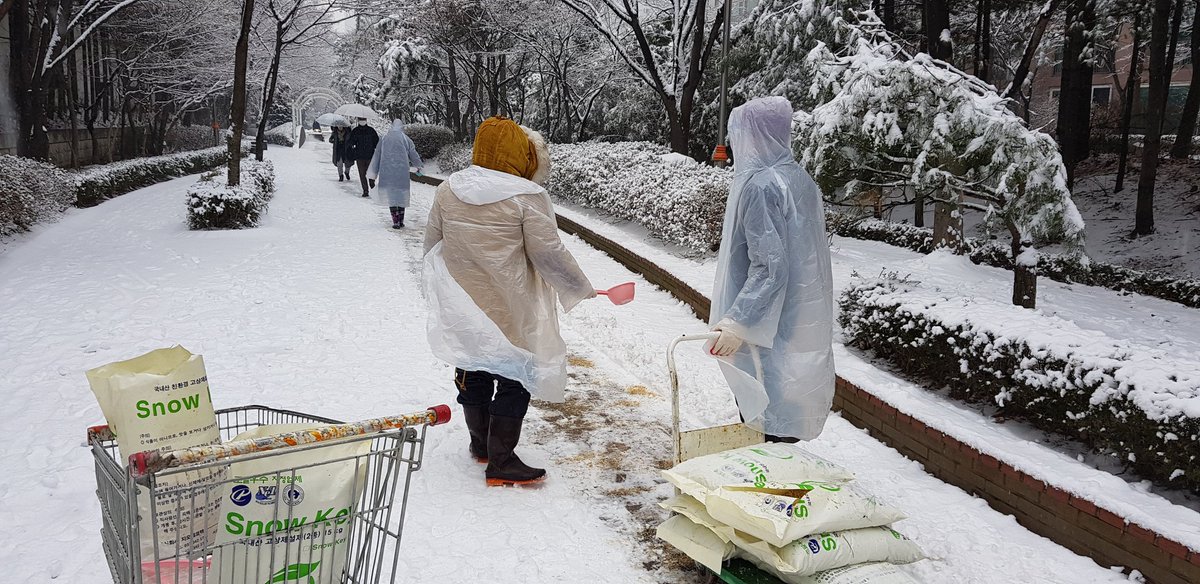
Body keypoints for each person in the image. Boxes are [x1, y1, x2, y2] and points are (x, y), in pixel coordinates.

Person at [423, 116, 596, 486]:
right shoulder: (527, 196)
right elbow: (548, 253)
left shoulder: (448, 188)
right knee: (516, 373)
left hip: (463, 301)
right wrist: (578, 286)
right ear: (519, 151)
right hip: (510, 302)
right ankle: (501, 460)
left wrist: (439, 292)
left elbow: (432, 244)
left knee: (473, 364)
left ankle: (481, 445)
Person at [707, 96, 836, 443]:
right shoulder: (799, 180)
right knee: (783, 401)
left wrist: (737, 321)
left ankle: (768, 487)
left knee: (763, 406)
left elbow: (769, 266)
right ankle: (782, 481)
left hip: (762, 320)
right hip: (793, 316)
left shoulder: (761, 186)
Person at [366, 120, 424, 228]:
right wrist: (419, 166)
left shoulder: (384, 138)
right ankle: (401, 220)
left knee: (391, 196)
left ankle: (395, 221)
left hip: (387, 172)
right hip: (402, 172)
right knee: (401, 196)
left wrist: (372, 175)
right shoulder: (406, 139)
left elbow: (377, 156)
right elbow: (413, 154)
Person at [344, 117, 380, 197]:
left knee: (371, 172)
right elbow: (351, 142)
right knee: (362, 174)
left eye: (363, 120)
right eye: (361, 120)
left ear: (366, 121)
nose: (362, 121)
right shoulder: (355, 131)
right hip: (359, 156)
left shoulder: (371, 130)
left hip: (370, 155)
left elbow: (376, 142)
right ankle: (365, 190)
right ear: (358, 121)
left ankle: (372, 184)